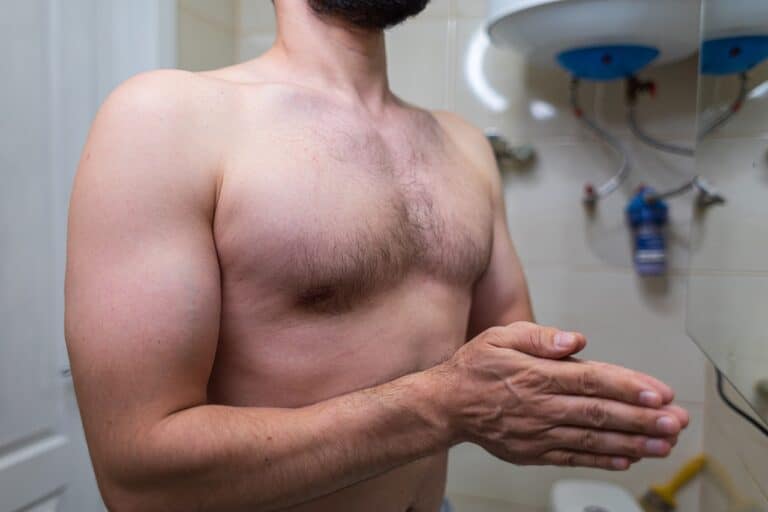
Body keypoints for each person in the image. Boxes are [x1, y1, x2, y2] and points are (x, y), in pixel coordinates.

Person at [65, 1, 689, 511]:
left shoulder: (464, 145)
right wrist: (444, 405)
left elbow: (508, 356)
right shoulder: (166, 118)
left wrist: (557, 406)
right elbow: (138, 478)